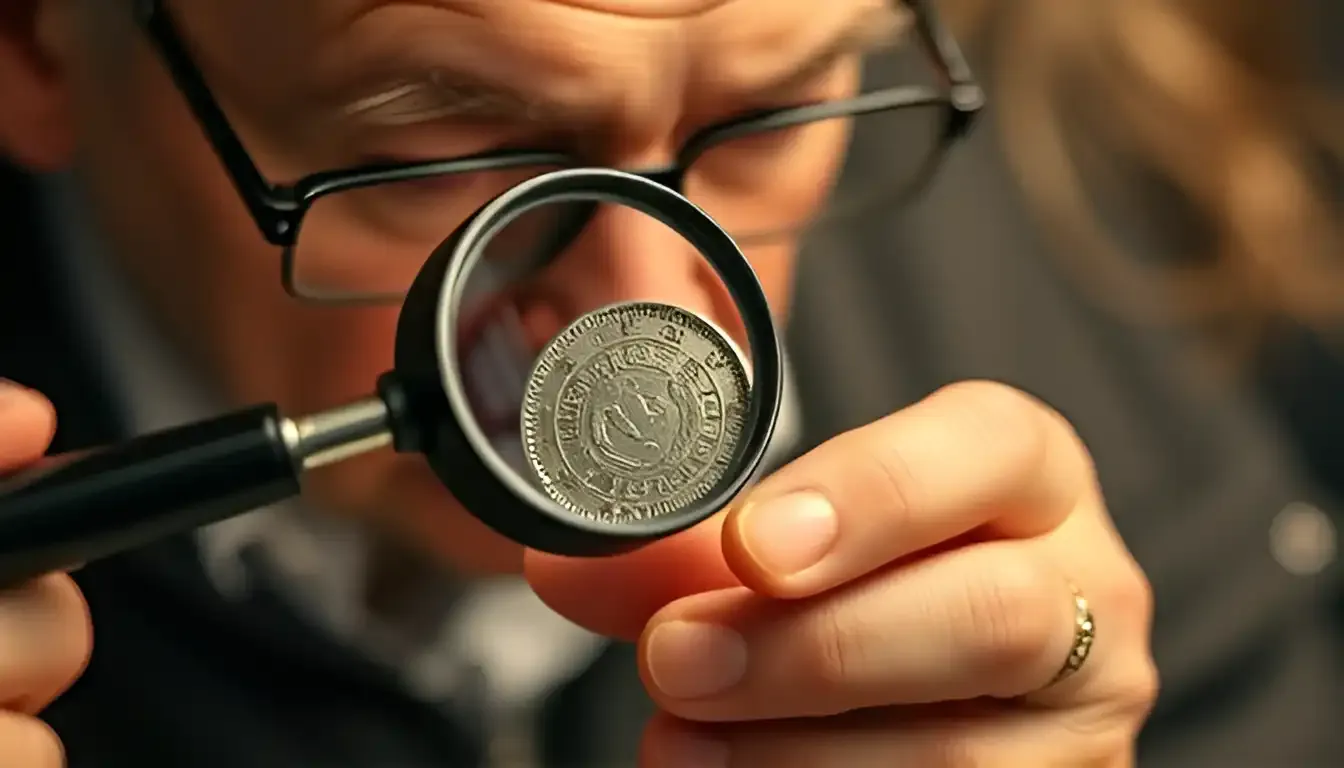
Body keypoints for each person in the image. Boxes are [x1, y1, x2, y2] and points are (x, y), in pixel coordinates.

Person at [0, 0, 1202, 765]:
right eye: (443, 155)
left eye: (773, 117)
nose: (656, 322)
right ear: (37, 37)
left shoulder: (1088, 269)